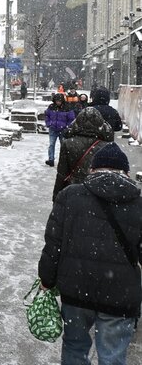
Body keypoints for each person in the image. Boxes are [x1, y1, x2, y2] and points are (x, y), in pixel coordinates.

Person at [38, 143, 142, 365]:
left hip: (76, 291)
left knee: (75, 349)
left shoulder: (70, 196)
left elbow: (53, 244)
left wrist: (46, 280)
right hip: (120, 296)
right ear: (126, 173)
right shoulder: (138, 203)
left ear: (92, 169)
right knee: (113, 356)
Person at [52, 107, 113, 200]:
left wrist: (57, 197)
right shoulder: (107, 146)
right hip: (97, 191)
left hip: (74, 189)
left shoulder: (68, 143)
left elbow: (62, 174)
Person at [44, 93, 75, 167]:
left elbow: (71, 118)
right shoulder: (51, 107)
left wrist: (67, 126)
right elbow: (47, 115)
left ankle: (63, 161)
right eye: (57, 101)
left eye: (59, 101)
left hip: (63, 130)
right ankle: (51, 159)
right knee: (51, 144)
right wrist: (49, 123)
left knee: (63, 146)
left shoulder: (67, 107)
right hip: (53, 129)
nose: (58, 102)